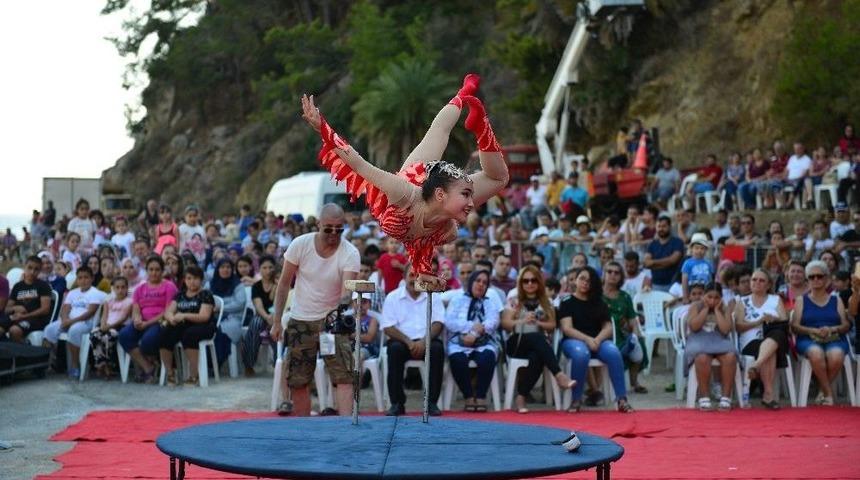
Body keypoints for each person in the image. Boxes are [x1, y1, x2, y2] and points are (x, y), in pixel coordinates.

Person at [301, 74, 509, 290]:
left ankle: (478, 118)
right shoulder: (404, 195)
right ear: (441, 195)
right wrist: (322, 127)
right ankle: (463, 95)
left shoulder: (448, 229)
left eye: (469, 194)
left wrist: (423, 270)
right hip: (417, 173)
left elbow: (418, 239)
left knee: (499, 178)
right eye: (466, 195)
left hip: (434, 184)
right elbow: (359, 165)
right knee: (439, 132)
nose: (472, 202)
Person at [270, 204, 360, 417]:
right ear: (318, 224)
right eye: (328, 228)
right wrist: (276, 321)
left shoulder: (350, 252)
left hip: (333, 320)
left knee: (344, 376)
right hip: (301, 319)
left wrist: (339, 311)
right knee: (298, 379)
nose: (333, 234)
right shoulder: (300, 245)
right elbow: (283, 285)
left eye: (339, 229)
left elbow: (347, 290)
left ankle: (345, 427)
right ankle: (303, 430)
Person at [501, 265, 575, 413]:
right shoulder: (514, 300)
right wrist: (522, 321)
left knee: (536, 356)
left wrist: (538, 323)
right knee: (536, 338)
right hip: (517, 342)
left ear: (539, 282)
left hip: (539, 346)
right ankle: (559, 375)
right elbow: (505, 324)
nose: (529, 284)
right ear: (520, 283)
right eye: (526, 281)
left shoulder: (546, 301)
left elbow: (552, 325)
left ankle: (521, 397)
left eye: (533, 280)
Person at [558, 266, 633, 413]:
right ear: (576, 280)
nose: (585, 283)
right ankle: (576, 399)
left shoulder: (599, 302)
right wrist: (587, 339)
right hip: (574, 341)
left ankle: (622, 399)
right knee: (581, 355)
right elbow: (567, 328)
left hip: (597, 341)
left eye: (589, 280)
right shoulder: (567, 301)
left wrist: (597, 340)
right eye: (582, 278)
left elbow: (608, 328)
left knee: (613, 352)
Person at [380, 263, 446, 416]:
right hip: (402, 342)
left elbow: (438, 323)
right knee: (394, 349)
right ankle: (397, 403)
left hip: (427, 341)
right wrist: (409, 343)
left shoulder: (433, 296)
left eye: (418, 275)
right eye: (411, 275)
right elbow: (388, 326)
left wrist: (424, 342)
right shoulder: (393, 297)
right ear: (404, 277)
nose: (415, 279)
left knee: (437, 349)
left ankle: (431, 403)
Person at [791, 261, 851, 406]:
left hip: (834, 337)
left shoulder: (836, 300)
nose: (816, 280)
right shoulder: (801, 300)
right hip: (808, 339)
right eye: (811, 277)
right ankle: (829, 393)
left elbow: (846, 325)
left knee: (836, 355)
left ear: (827, 279)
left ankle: (822, 392)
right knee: (816, 353)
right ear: (808, 280)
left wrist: (833, 329)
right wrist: (812, 330)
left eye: (819, 276)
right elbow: (795, 326)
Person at [444, 270, 502, 412]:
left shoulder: (489, 302)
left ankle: (481, 396)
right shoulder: (458, 299)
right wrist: (470, 327)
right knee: (457, 359)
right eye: (478, 281)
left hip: (484, 341)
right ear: (471, 282)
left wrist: (475, 334)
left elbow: (493, 322)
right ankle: (468, 396)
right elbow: (449, 322)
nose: (481, 285)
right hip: (459, 340)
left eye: (484, 283)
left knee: (487, 357)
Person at [734, 269, 790, 409]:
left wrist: (773, 318)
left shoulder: (775, 299)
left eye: (761, 280)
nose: (757, 283)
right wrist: (759, 321)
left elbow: (784, 320)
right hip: (750, 343)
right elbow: (739, 326)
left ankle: (757, 365)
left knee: (776, 334)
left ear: (768, 285)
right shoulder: (742, 301)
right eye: (754, 280)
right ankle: (768, 396)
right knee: (769, 351)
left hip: (773, 339)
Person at [118, 255, 179, 383]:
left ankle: (152, 364)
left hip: (160, 321)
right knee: (124, 335)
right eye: (151, 269)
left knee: (147, 341)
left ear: (162, 271)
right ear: (147, 271)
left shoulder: (169, 286)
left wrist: (147, 324)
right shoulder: (140, 288)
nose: (154, 273)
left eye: (157, 270)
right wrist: (137, 319)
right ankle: (148, 367)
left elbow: (168, 311)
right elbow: (136, 307)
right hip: (143, 322)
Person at [44, 266, 107, 378]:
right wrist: (64, 320)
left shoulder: (95, 293)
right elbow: (65, 309)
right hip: (69, 321)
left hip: (86, 323)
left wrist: (70, 322)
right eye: (80, 278)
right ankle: (50, 362)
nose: (83, 280)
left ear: (92, 278)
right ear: (77, 280)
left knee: (74, 331)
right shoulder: (72, 293)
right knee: (49, 329)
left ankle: (75, 365)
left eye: (86, 277)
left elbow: (90, 313)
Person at [684, 283, 737, 411]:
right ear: (704, 296)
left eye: (716, 297)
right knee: (702, 357)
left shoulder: (724, 309)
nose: (712, 300)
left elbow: (725, 330)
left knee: (730, 357)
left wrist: (718, 311)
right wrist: (706, 309)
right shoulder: (696, 306)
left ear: (721, 298)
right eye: (709, 297)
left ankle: (726, 397)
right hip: (699, 340)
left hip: (719, 340)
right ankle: (704, 396)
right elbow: (694, 327)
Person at [602, 262, 648, 394]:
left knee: (638, 343)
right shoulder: (596, 296)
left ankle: (634, 382)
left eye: (617, 273)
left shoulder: (625, 297)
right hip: (602, 334)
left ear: (621, 276)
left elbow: (632, 321)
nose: (613, 275)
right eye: (609, 272)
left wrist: (636, 335)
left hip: (621, 334)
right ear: (604, 274)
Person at [90, 277, 133, 378]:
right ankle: (103, 364)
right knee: (94, 334)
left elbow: (123, 318)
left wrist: (109, 327)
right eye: (117, 287)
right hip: (106, 325)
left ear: (127, 288)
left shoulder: (129, 302)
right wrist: (103, 325)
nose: (120, 290)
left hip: (120, 326)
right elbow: (104, 316)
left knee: (108, 337)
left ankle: (106, 366)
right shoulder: (108, 301)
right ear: (113, 288)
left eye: (123, 287)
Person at [241, 256, 278, 376]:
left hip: (278, 314)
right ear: (260, 270)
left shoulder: (280, 284)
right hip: (262, 315)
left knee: (277, 327)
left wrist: (274, 317)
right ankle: (249, 364)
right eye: (264, 268)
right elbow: (258, 305)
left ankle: (279, 362)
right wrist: (267, 317)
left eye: (270, 267)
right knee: (255, 324)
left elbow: (281, 303)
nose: (268, 270)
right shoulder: (256, 286)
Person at [2, 256, 52, 343]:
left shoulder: (43, 286)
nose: (32, 272)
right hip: (16, 317)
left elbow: (45, 310)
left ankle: (21, 354)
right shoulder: (18, 286)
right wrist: (15, 308)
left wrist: (24, 316)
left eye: (36, 269)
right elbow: (7, 309)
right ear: (24, 267)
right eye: (30, 268)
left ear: (40, 271)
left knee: (14, 330)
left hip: (35, 320)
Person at [207, 258, 246, 364]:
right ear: (217, 269)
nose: (225, 270)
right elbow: (206, 299)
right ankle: (210, 364)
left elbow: (240, 303)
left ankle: (217, 362)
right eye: (222, 267)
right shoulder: (211, 284)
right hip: (213, 317)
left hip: (233, 318)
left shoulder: (237, 284)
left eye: (228, 267)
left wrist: (221, 307)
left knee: (221, 330)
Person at [644, 216, 684, 292]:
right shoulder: (652, 244)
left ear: (669, 227)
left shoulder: (678, 242)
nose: (661, 229)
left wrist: (653, 262)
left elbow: (673, 260)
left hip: (673, 285)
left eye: (664, 226)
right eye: (659, 226)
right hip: (655, 285)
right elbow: (646, 263)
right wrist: (666, 263)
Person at [681, 233, 715, 302]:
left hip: (706, 294)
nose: (699, 250)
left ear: (706, 250)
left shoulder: (709, 263)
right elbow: (684, 280)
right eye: (696, 248)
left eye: (702, 248)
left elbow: (711, 280)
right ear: (691, 249)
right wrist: (685, 296)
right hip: (693, 294)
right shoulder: (687, 263)